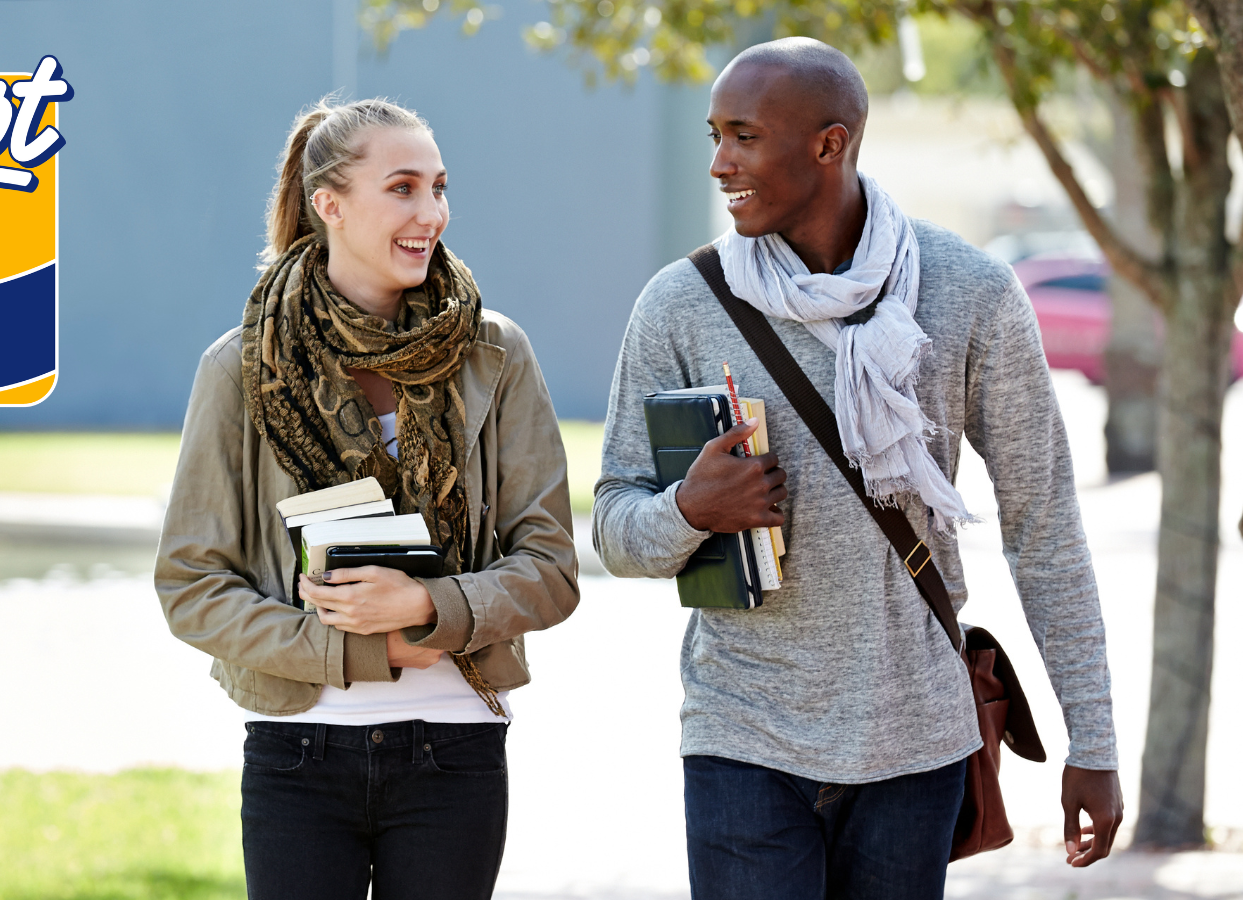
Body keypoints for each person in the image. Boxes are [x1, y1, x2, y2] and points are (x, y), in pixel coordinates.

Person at [593, 38, 1123, 899]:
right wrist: (689, 510)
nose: (721, 163)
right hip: (743, 734)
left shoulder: (968, 292)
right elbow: (615, 523)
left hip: (916, 741)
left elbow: (1046, 526)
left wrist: (1092, 743)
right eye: (713, 136)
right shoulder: (682, 303)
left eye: (745, 137)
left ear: (828, 144)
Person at [155, 97, 579, 900]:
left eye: (440, 189)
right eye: (405, 189)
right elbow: (191, 588)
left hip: (454, 752)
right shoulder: (239, 369)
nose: (432, 214)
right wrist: (361, 650)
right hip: (298, 756)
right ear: (330, 205)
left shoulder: (495, 354)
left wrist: (428, 603)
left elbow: (552, 569)